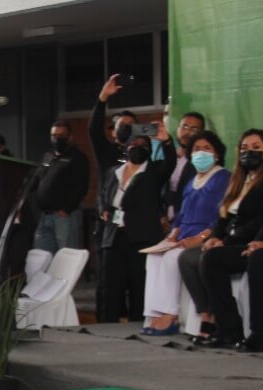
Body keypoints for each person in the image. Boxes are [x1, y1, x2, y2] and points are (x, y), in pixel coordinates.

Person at [177, 129, 263, 347]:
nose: (250, 153)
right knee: (203, 256)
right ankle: (225, 326)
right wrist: (215, 236)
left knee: (212, 259)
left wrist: (227, 241)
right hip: (231, 240)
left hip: (253, 242)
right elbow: (223, 215)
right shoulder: (239, 179)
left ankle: (230, 328)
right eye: (245, 148)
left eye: (256, 148)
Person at [90, 74, 176, 322]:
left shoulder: (154, 171)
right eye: (131, 140)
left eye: (142, 140)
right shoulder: (112, 167)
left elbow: (169, 162)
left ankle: (138, 330)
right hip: (112, 237)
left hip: (142, 238)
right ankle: (105, 331)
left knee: (140, 288)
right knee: (109, 291)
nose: (136, 144)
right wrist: (102, 99)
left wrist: (166, 140)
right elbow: (94, 133)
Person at [141, 130, 231, 334]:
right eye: (197, 149)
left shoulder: (223, 178)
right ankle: (153, 314)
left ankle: (170, 315)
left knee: (172, 258)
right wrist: (173, 233)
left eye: (207, 149)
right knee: (154, 257)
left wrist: (200, 238)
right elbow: (182, 214)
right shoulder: (191, 181)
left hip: (204, 238)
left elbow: (222, 216)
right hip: (181, 237)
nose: (201, 153)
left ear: (217, 154)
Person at [30, 118, 91, 272]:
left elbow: (82, 186)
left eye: (61, 135)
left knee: (66, 260)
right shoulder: (48, 157)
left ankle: (65, 293)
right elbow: (37, 179)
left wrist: (66, 210)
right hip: (45, 216)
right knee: (40, 258)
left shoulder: (77, 158)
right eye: (54, 135)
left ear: (70, 136)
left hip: (64, 216)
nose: (57, 139)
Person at [163, 112, 207, 223]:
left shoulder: (202, 162)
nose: (187, 132)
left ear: (201, 133)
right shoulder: (168, 156)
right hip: (160, 222)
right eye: (184, 126)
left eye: (194, 129)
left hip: (187, 222)